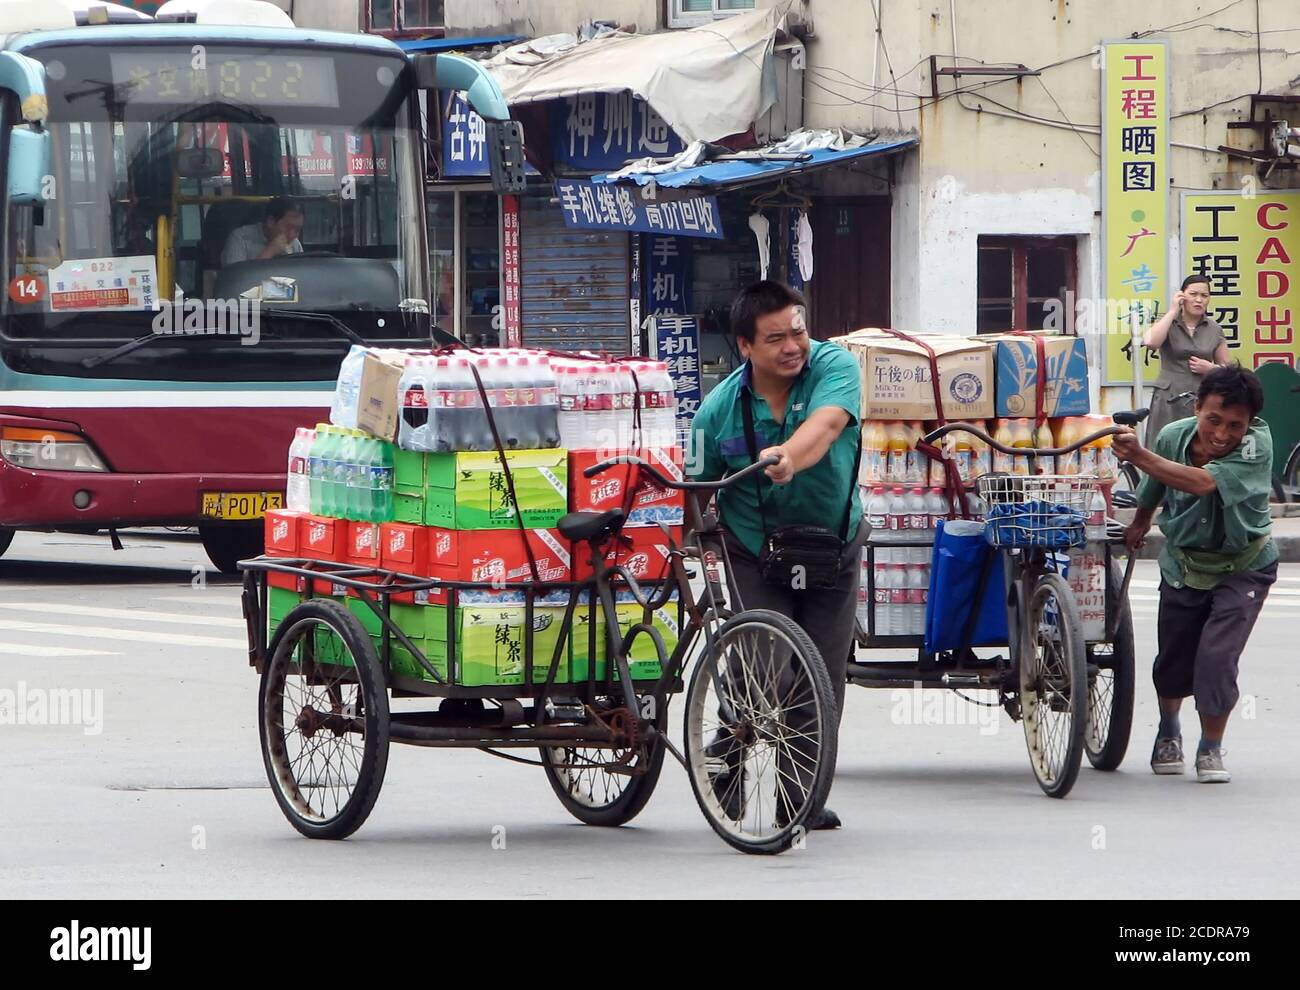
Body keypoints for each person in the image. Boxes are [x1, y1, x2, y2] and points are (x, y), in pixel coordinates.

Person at [688, 280, 865, 830]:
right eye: (775, 339)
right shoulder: (715, 413)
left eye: (799, 331)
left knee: (822, 673)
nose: (793, 346)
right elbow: (694, 492)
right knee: (766, 670)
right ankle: (730, 759)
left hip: (833, 543)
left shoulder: (835, 367)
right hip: (751, 552)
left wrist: (789, 456)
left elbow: (827, 425)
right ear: (745, 347)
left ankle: (800, 798)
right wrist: (688, 547)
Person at [1115, 365, 1275, 784]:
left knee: (1217, 658)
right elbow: (1153, 485)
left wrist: (1140, 455)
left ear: (1250, 423)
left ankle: (1210, 745)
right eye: (1214, 420)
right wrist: (1139, 523)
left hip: (1244, 566)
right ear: (1198, 406)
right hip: (1184, 563)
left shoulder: (1258, 446)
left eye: (1235, 426)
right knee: (1174, 656)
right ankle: (1169, 731)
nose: (1222, 434)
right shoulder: (1172, 437)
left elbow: (1203, 483)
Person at [1141, 274, 1231, 443]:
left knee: (1197, 445)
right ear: (1182, 296)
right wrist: (1173, 310)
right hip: (1169, 395)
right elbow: (1151, 342)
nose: (1199, 300)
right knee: (1163, 444)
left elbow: (1229, 369)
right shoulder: (1168, 322)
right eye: (1193, 294)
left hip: (1202, 396)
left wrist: (1211, 369)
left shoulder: (1214, 329)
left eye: (1204, 296)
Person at [221, 198, 305, 265]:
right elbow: (236, 279)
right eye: (288, 227)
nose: (291, 235)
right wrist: (270, 251)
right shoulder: (240, 239)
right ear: (271, 221)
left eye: (297, 230)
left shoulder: (295, 244)